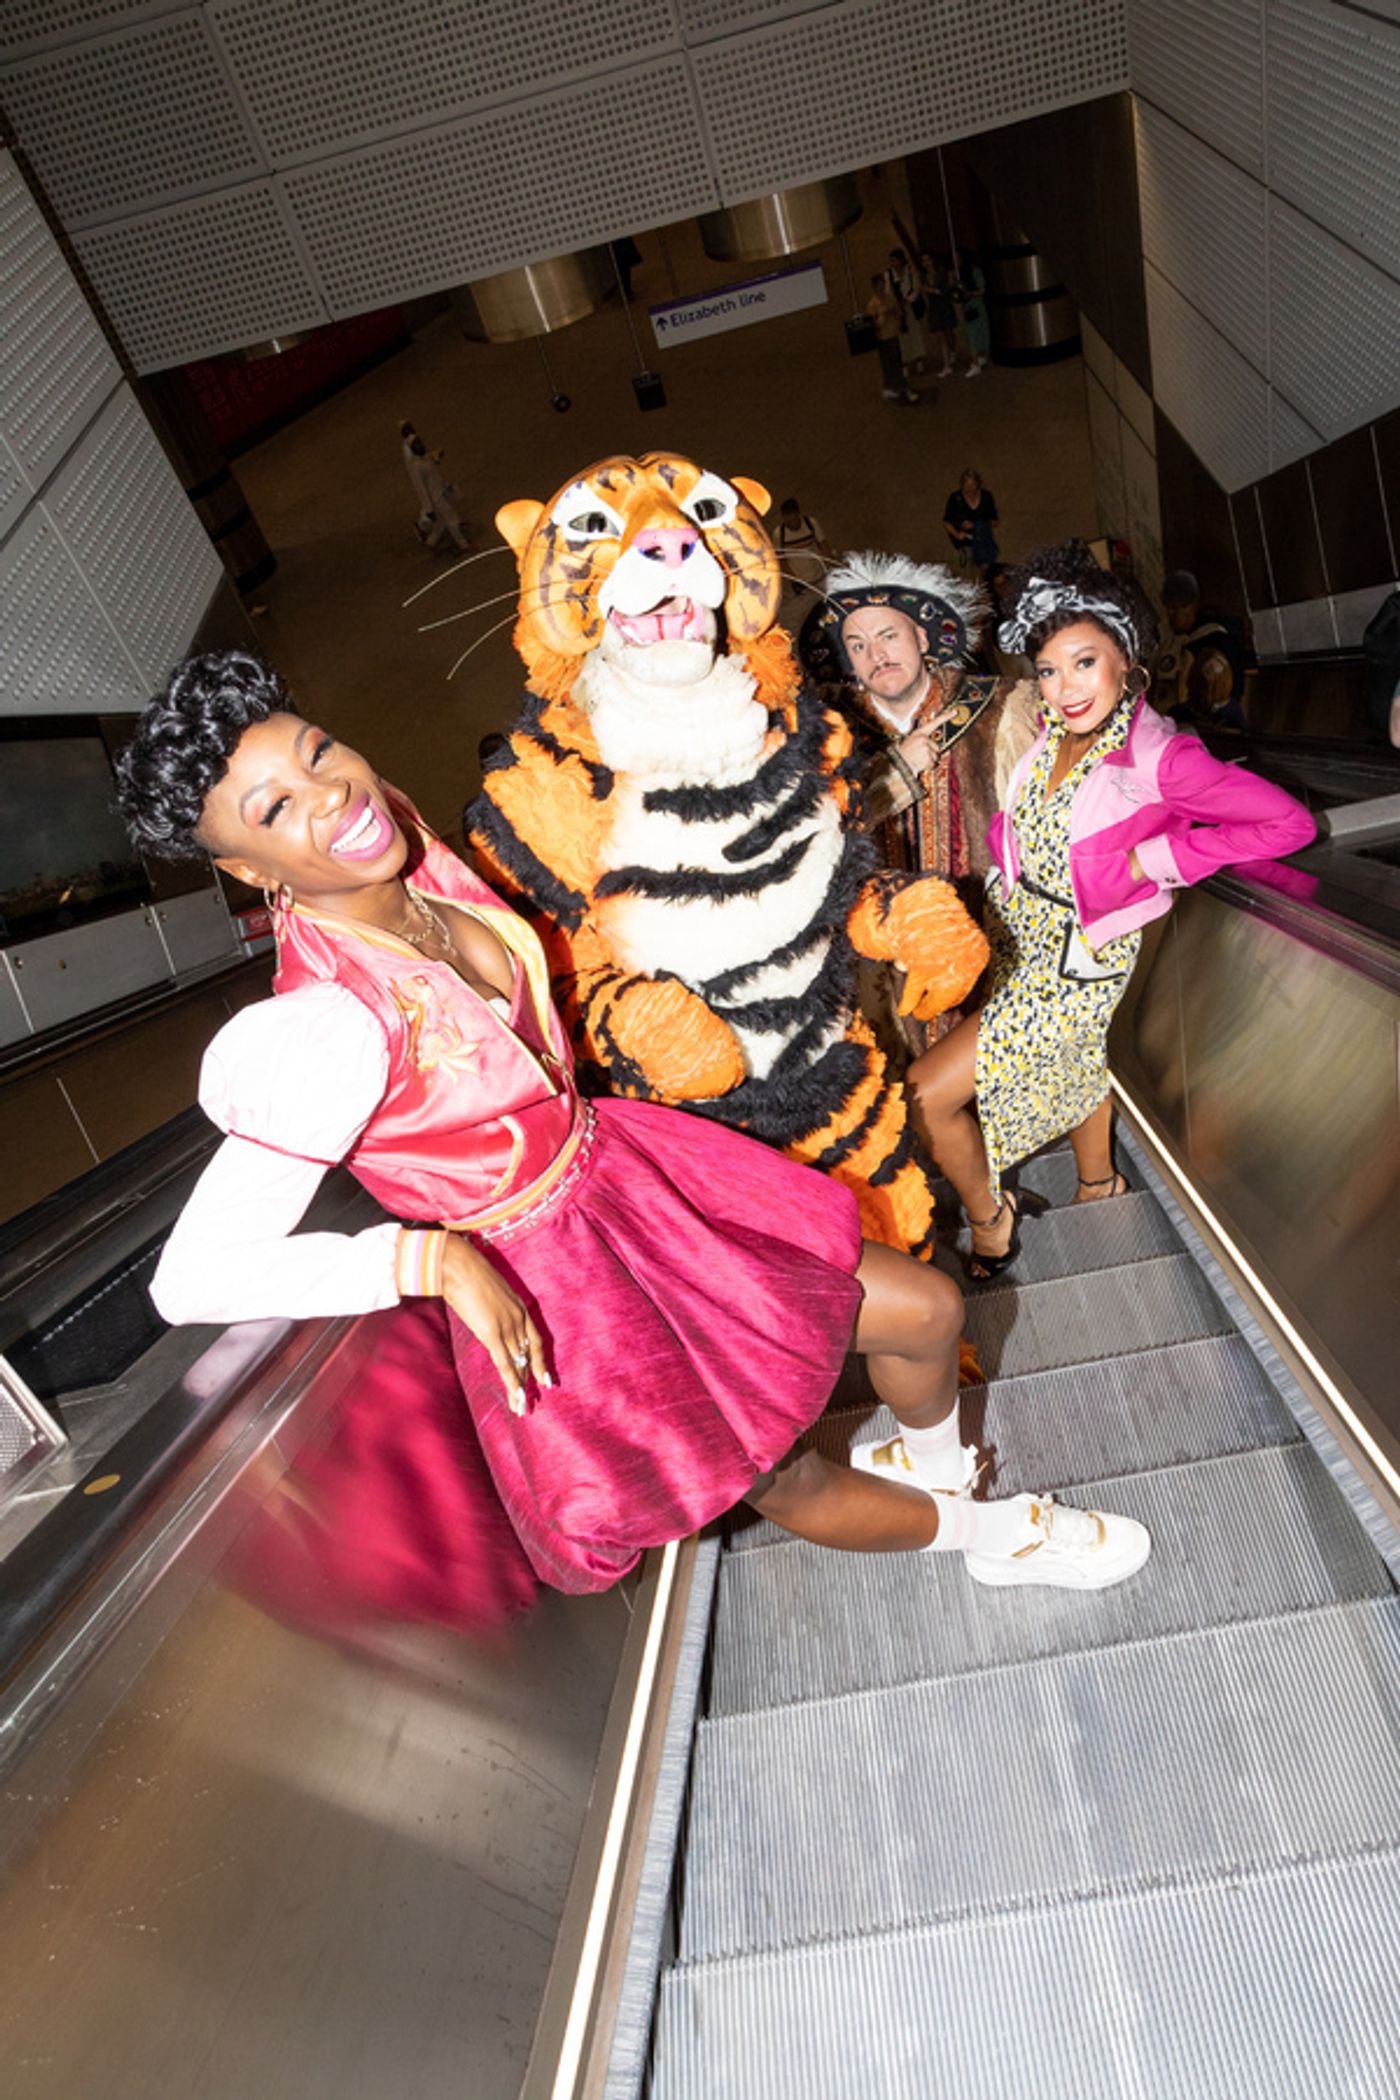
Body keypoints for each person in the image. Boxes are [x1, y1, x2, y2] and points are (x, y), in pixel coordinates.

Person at [114, 652, 1152, 1593]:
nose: (330, 793)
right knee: (778, 1474)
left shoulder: (400, 851)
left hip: (625, 1177)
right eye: (276, 807)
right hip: (562, 1284)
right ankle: (991, 1538)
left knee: (925, 1308)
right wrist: (422, 1262)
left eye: (318, 751)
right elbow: (193, 1275)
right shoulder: (323, 1029)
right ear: (254, 872)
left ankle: (945, 1478)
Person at [905, 544, 1315, 1280]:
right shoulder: (1056, 733)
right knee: (1081, 1070)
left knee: (927, 1096)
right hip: (1025, 941)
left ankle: (989, 1220)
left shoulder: (1160, 756)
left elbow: (1288, 824)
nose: (1064, 688)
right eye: (1049, 670)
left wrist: (1149, 863)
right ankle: (1098, 1182)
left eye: (1084, 662)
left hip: (1077, 962)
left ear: (1126, 660)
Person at [799, 554, 1040, 1059]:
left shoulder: (1003, 710)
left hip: (995, 963)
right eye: (857, 645)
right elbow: (808, 835)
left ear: (924, 639)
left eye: (889, 635)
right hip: (881, 987)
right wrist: (893, 774)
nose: (876, 655)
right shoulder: (826, 737)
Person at [1154, 570, 1249, 727]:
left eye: (1177, 608)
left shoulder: (1216, 638)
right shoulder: (1171, 641)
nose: (1171, 614)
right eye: (1168, 607)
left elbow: (1231, 693)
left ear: (1192, 607)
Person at [399, 419, 471, 553]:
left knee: (442, 522)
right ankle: (464, 545)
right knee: (449, 520)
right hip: (436, 498)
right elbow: (421, 488)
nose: (421, 446)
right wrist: (429, 508)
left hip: (440, 490)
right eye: (417, 445)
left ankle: (431, 542)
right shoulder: (416, 466)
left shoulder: (423, 458)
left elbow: (432, 469)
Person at [866, 273, 917, 405]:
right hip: (883, 338)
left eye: (883, 285)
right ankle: (898, 388)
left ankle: (895, 387)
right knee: (890, 365)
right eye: (878, 286)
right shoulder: (872, 305)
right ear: (874, 287)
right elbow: (874, 325)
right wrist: (883, 315)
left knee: (896, 363)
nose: (881, 288)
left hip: (893, 335)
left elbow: (898, 313)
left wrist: (897, 320)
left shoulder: (890, 298)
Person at [774, 495, 834, 602]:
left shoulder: (811, 524)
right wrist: (795, 580)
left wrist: (829, 566)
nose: (792, 524)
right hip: (801, 582)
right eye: (788, 522)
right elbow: (782, 560)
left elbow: (823, 545)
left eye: (794, 520)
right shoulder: (779, 534)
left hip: (819, 575)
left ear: (798, 514)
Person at [943, 468, 999, 575]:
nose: (969, 489)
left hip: (983, 538)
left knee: (987, 569)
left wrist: (977, 525)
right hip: (964, 540)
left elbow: (994, 521)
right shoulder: (955, 499)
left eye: (972, 485)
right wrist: (957, 534)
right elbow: (946, 522)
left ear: (978, 484)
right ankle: (961, 552)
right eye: (966, 486)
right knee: (968, 569)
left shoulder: (987, 497)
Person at [917, 252, 958, 378]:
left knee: (949, 333)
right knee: (941, 336)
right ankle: (946, 366)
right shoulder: (923, 276)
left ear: (932, 260)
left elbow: (946, 289)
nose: (926, 263)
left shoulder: (941, 272)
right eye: (923, 261)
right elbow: (923, 291)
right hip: (934, 308)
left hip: (944, 305)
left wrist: (932, 290)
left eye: (928, 260)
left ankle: (953, 350)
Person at [888, 246, 924, 373]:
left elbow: (916, 287)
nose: (893, 263)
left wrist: (907, 300)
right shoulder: (889, 274)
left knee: (914, 332)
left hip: (910, 306)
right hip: (897, 309)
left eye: (895, 260)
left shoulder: (910, 271)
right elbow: (889, 292)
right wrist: (896, 304)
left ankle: (919, 359)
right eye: (891, 261)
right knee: (902, 336)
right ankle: (905, 362)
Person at [956, 251, 991, 370]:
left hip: (976, 305)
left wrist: (970, 293)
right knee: (972, 334)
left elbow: (982, 290)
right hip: (968, 306)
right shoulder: (959, 273)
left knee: (977, 334)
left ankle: (976, 362)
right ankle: (979, 359)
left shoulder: (975, 271)